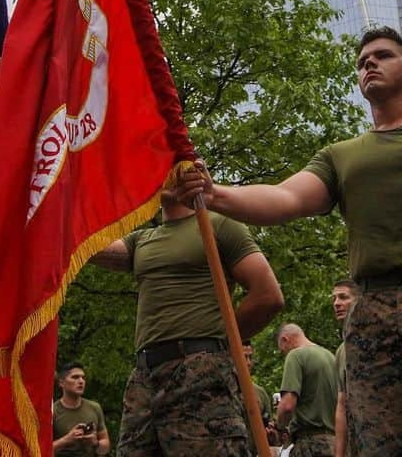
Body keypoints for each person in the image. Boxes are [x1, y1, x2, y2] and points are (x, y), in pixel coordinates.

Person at [180, 24, 402, 455]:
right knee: (381, 448)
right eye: (362, 61)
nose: (369, 62)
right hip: (372, 316)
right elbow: (285, 197)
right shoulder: (341, 155)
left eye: (382, 55)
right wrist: (215, 193)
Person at [93, 172, 284, 456]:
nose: (163, 176)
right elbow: (89, 247)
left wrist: (218, 339)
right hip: (144, 377)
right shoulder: (143, 239)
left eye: (172, 168)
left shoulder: (218, 224)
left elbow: (268, 295)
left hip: (200, 371)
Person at [274, 323, 337, 454]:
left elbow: (287, 406)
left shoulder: (295, 356)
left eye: (282, 351)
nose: (284, 355)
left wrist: (279, 426)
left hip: (310, 445)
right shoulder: (331, 357)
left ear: (285, 340)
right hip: (334, 443)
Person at [52, 362, 111, 455]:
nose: (81, 381)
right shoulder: (52, 411)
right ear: (61, 383)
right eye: (75, 377)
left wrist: (95, 443)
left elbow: (106, 447)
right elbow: (42, 450)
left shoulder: (95, 407)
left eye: (83, 378)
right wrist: (67, 439)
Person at [330, 279, 358, 457]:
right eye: (334, 299)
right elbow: (342, 404)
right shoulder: (342, 350)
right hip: (358, 443)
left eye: (343, 297)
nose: (336, 303)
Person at [243, 340, 278, 452]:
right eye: (244, 357)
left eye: (250, 357)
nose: (248, 363)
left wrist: (272, 436)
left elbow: (270, 429)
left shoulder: (260, 393)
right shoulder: (221, 392)